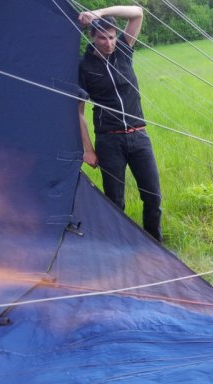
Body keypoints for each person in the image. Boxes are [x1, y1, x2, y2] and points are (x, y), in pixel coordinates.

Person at [78, 5, 163, 242]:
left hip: (139, 136)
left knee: (153, 196)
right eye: (103, 38)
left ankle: (154, 245)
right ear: (92, 38)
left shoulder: (124, 51)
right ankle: (119, 247)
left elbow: (138, 12)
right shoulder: (84, 67)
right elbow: (79, 113)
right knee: (115, 201)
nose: (109, 43)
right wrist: (88, 150)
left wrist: (99, 13)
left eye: (112, 37)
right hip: (109, 140)